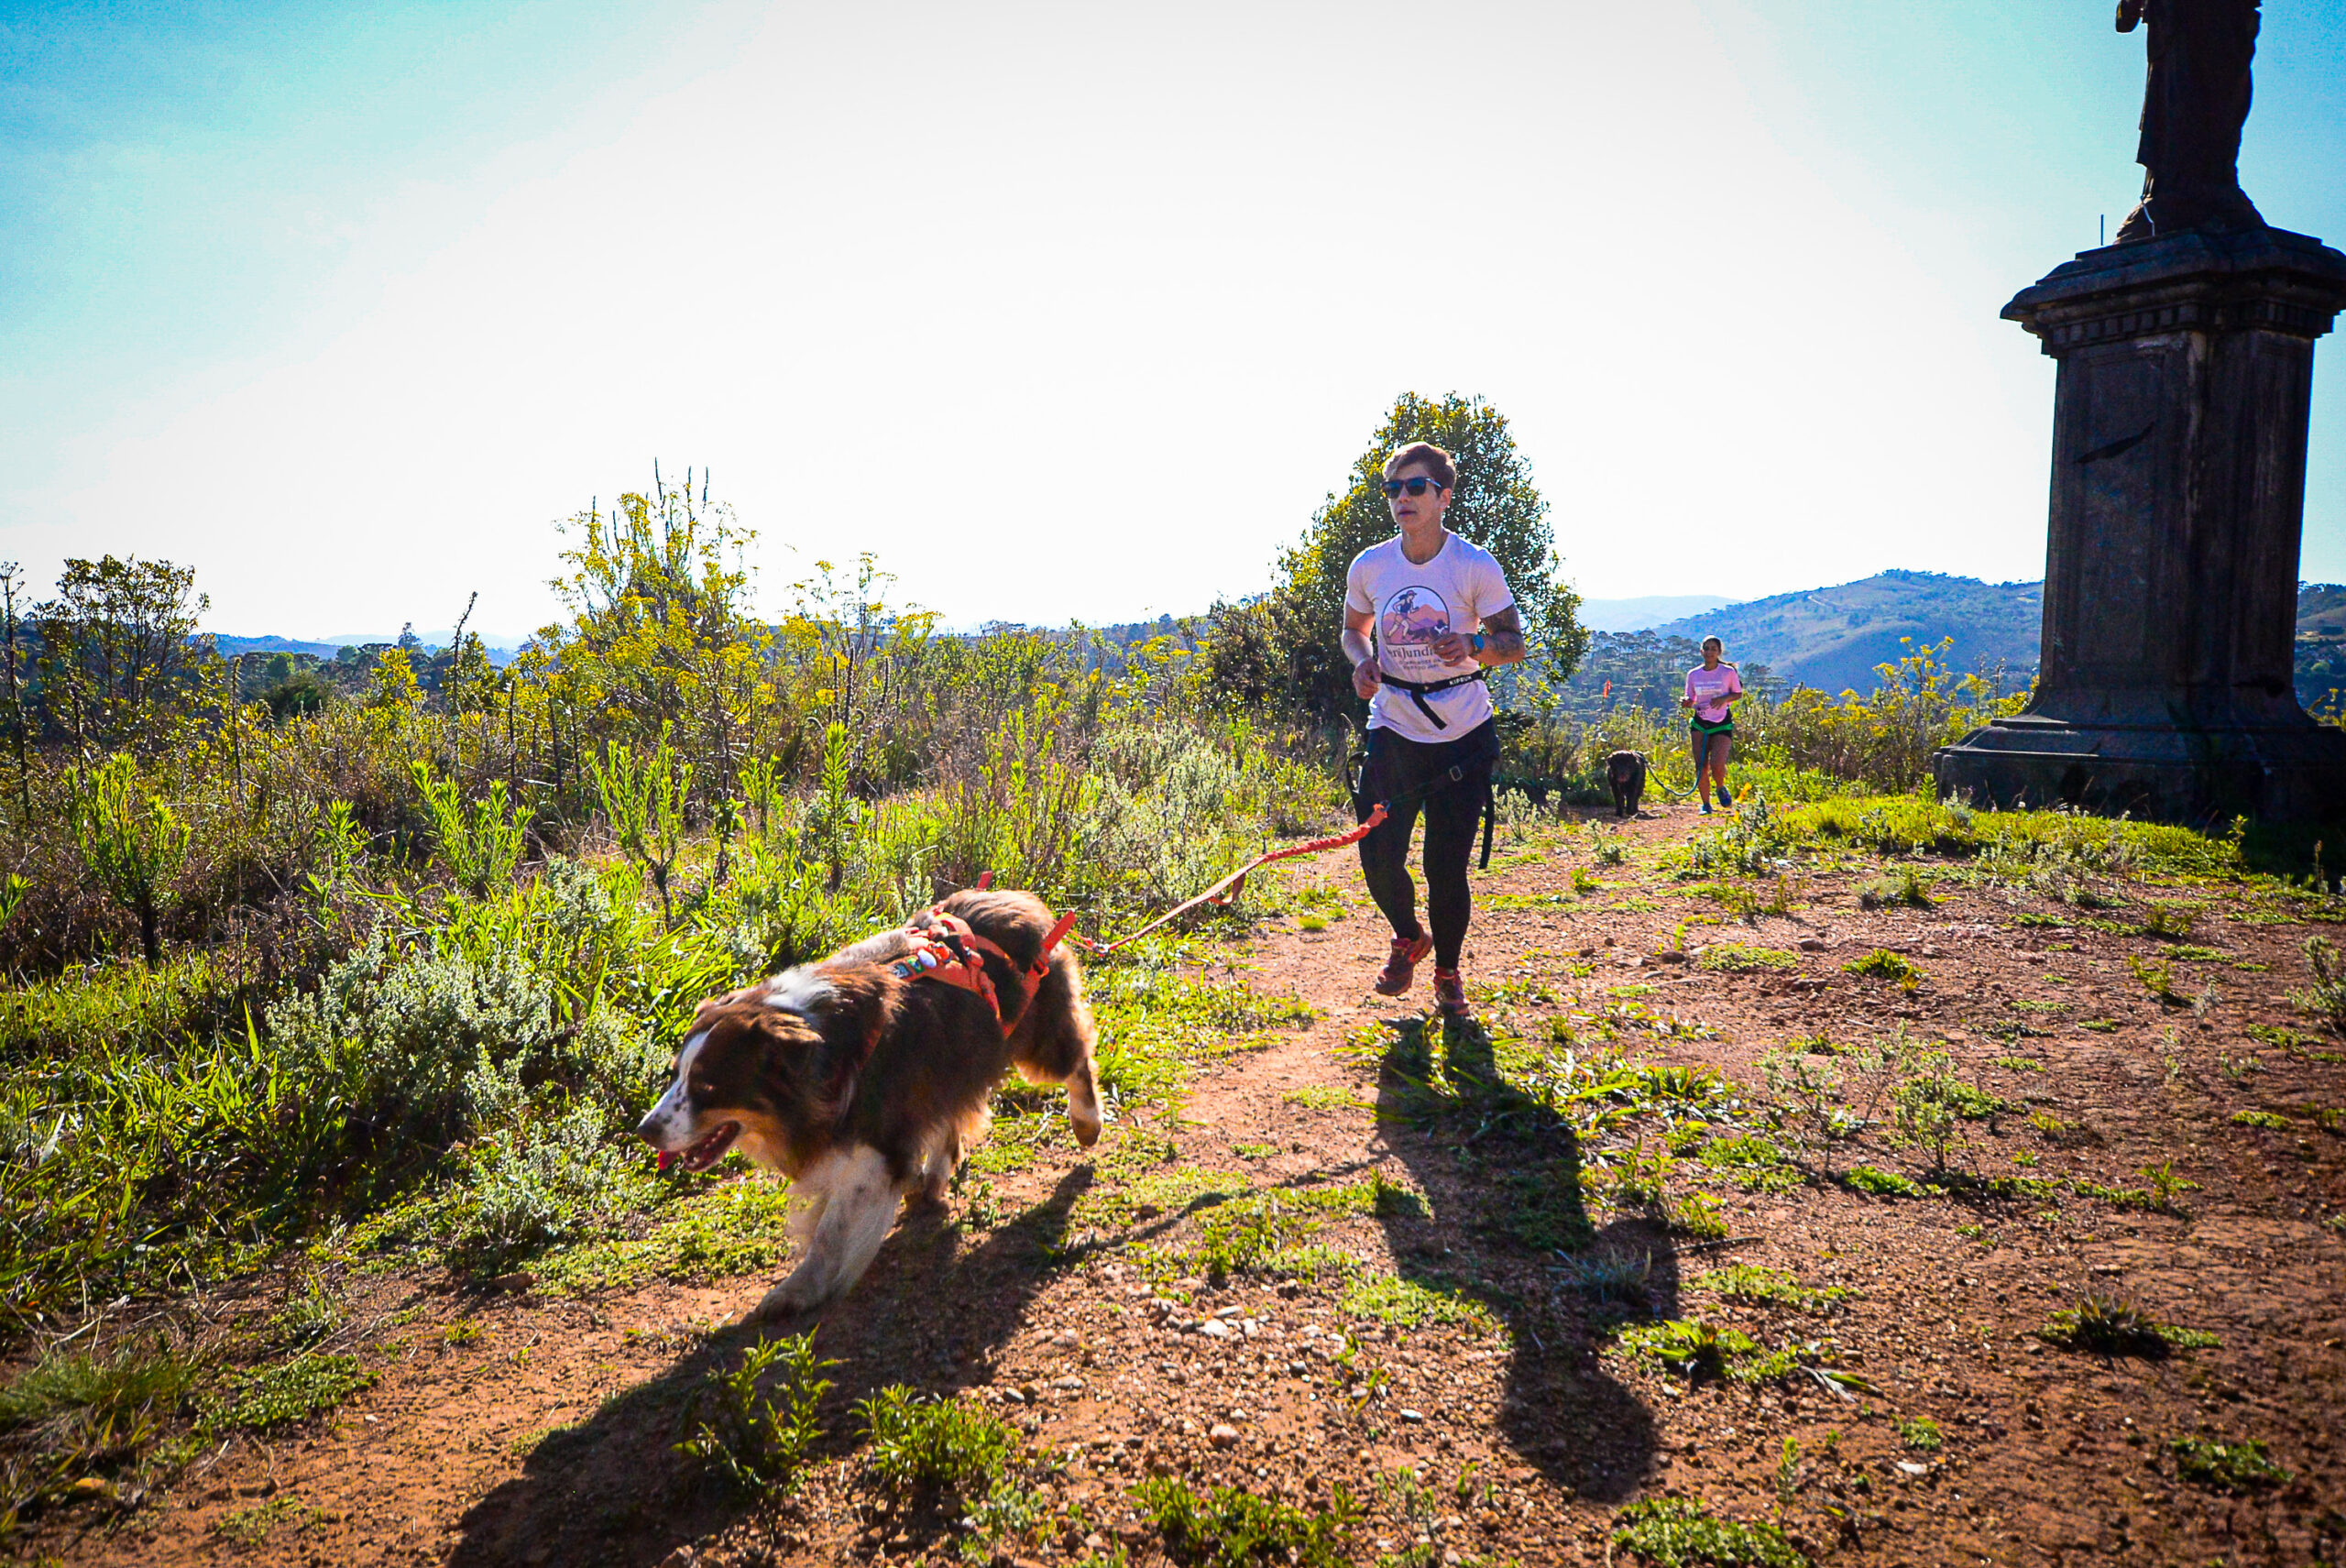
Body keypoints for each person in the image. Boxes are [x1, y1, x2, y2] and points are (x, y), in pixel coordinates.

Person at [1342, 440, 1526, 1018]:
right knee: (1376, 849)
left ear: (1444, 496)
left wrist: (1473, 644)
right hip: (1394, 726)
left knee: (1445, 867)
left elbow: (1513, 644)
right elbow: (1353, 628)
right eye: (1393, 488)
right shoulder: (1370, 564)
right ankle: (1406, 936)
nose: (1402, 498)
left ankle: (1447, 971)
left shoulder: (1473, 565)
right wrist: (1362, 660)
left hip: (1463, 735)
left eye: (1415, 487)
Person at [1681, 636, 1742, 814]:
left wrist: (1723, 699)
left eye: (1713, 649)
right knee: (1701, 766)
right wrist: (1686, 702)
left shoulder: (1728, 672)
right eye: (1706, 649)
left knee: (1716, 764)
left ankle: (1721, 787)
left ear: (1719, 652)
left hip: (1722, 723)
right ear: (1702, 652)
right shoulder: (1693, 674)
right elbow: (1691, 698)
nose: (1709, 652)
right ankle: (1706, 804)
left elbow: (1737, 694)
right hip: (1700, 724)